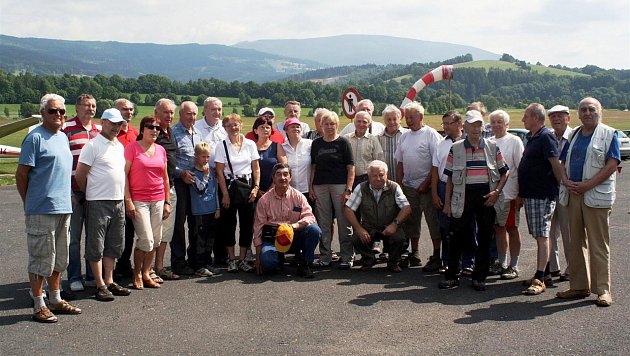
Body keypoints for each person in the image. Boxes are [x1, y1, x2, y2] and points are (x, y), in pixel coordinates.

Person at [16, 93, 81, 323]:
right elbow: (21, 175)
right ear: (43, 112)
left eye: (62, 111)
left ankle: (55, 298)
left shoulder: (63, 137)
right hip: (41, 209)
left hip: (63, 208)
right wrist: (30, 202)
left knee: (59, 258)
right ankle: (38, 304)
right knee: (40, 259)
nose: (59, 115)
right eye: (53, 111)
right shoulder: (34, 138)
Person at [556, 97, 620, 307]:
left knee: (598, 244)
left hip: (595, 196)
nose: (587, 113)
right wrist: (566, 181)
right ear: (578, 113)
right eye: (583, 110)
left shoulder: (609, 134)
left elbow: (611, 165)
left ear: (599, 111)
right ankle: (579, 286)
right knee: (576, 242)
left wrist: (587, 185)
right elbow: (563, 161)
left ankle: (603, 290)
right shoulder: (575, 134)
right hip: (574, 194)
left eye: (591, 109)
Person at [440, 110, 508, 291]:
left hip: (486, 197)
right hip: (462, 196)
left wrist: (496, 192)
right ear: (466, 127)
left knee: (485, 237)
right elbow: (448, 178)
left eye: (479, 124)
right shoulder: (456, 148)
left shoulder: (492, 147)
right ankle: (452, 276)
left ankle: (479, 277)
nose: (477, 128)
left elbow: (505, 172)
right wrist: (447, 204)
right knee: (456, 237)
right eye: (473, 125)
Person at [75, 108, 131, 301]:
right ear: (103, 122)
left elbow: (122, 174)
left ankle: (109, 280)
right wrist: (88, 193)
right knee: (96, 245)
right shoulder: (92, 146)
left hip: (117, 201)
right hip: (98, 201)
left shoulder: (119, 146)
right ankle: (99, 284)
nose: (116, 127)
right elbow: (81, 174)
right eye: (112, 123)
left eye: (119, 124)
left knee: (114, 244)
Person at [518, 103, 564, 296]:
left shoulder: (545, 136)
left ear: (536, 118)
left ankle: (540, 276)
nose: (523, 120)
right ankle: (544, 274)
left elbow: (556, 164)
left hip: (542, 193)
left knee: (542, 234)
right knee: (539, 233)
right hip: (532, 193)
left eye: (526, 116)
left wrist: (562, 187)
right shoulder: (534, 137)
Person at [124, 115, 171, 289]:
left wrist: (167, 201)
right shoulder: (132, 148)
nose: (154, 130)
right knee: (146, 239)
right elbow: (125, 176)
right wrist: (128, 200)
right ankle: (137, 272)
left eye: (157, 128)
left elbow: (165, 178)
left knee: (157, 239)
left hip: (158, 199)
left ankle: (146, 272)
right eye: (150, 127)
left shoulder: (161, 150)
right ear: (142, 129)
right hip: (139, 200)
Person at [395, 101, 442, 269]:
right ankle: (414, 253)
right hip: (408, 187)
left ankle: (437, 254)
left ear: (421, 117)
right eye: (406, 117)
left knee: (432, 221)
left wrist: (427, 182)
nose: (408, 120)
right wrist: (400, 185)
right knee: (411, 221)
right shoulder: (405, 136)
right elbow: (399, 162)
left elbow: (436, 163)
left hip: (427, 187)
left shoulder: (431, 134)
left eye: (411, 117)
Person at [253, 163, 321, 278]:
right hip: (273, 240)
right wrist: (258, 258)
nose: (282, 178)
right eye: (278, 174)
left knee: (314, 230)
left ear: (290, 177)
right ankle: (277, 258)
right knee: (268, 263)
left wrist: (293, 227)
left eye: (285, 174)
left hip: (293, 236)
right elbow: (258, 228)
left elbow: (310, 217)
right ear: (273, 178)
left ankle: (305, 264)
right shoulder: (264, 200)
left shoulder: (298, 196)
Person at [345, 160, 411, 272]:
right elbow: (348, 209)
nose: (378, 178)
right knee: (356, 237)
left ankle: (393, 262)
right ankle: (368, 259)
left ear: (387, 175)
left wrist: (395, 224)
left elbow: (407, 208)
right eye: (374, 176)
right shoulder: (361, 188)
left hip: (389, 225)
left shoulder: (394, 187)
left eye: (381, 175)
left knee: (399, 238)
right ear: (368, 176)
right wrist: (359, 229)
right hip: (369, 227)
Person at [215, 113, 261, 272]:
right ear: (225, 128)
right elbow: (219, 172)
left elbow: (256, 168)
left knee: (247, 223)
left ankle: (242, 259)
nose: (233, 128)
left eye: (236, 124)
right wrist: (225, 194)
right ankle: (231, 259)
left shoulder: (250, 144)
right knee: (228, 223)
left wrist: (256, 187)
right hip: (229, 185)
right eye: (229, 125)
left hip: (247, 185)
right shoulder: (221, 145)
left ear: (241, 125)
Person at [63, 94, 100, 292]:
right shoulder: (66, 128)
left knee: (92, 237)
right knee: (74, 238)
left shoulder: (99, 130)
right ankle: (74, 276)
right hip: (75, 193)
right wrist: (68, 191)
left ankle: (91, 275)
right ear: (77, 107)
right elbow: (62, 163)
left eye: (93, 106)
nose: (90, 109)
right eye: (86, 105)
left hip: (95, 193)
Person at [310, 109, 355, 269]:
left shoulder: (343, 143)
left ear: (337, 125)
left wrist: (348, 190)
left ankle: (347, 256)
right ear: (321, 126)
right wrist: (311, 187)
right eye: (326, 124)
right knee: (324, 221)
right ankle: (325, 256)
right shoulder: (316, 144)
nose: (329, 127)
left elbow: (351, 168)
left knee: (344, 222)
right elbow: (313, 167)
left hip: (340, 186)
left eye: (332, 124)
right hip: (320, 185)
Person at [489, 110, 524, 280]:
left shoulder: (514, 141)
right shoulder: (488, 142)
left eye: (499, 122)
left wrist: (520, 194)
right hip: (493, 196)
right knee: (498, 229)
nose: (496, 125)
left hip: (510, 194)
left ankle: (514, 264)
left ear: (507, 124)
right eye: (493, 122)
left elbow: (521, 168)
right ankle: (502, 263)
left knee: (512, 229)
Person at [193, 96, 228, 267]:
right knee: (200, 222)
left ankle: (220, 256)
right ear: (205, 110)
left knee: (219, 218)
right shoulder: (197, 127)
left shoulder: (224, 128)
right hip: (200, 174)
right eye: (213, 109)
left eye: (219, 109)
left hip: (220, 175)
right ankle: (199, 258)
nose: (217, 112)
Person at [430, 111, 465, 274]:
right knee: (445, 227)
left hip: (464, 187)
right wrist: (435, 193)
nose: (445, 127)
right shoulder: (441, 143)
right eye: (443, 123)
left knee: (465, 226)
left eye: (448, 123)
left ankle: (467, 262)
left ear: (459, 124)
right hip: (444, 187)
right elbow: (435, 170)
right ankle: (447, 261)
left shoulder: (468, 142)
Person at [170, 101, 203, 275]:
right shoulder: (173, 133)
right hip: (181, 183)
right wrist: (181, 173)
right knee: (178, 224)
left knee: (196, 222)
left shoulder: (197, 133)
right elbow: (169, 161)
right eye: (188, 113)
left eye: (194, 114)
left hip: (196, 182)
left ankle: (195, 259)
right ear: (181, 114)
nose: (191, 117)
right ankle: (178, 261)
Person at [153, 99, 180, 281]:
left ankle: (159, 266)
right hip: (155, 189)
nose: (169, 116)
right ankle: (148, 269)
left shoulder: (170, 132)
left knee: (166, 231)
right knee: (153, 231)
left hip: (170, 186)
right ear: (157, 113)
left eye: (171, 113)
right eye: (165, 112)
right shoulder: (153, 132)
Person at [113, 98, 139, 280]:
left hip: (131, 187)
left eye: (130, 110)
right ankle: (110, 267)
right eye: (124, 109)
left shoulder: (135, 132)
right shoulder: (110, 132)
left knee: (129, 230)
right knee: (113, 230)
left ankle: (124, 263)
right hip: (112, 187)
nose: (128, 112)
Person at [547, 105, 572, 282]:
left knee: (568, 231)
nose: (556, 119)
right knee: (549, 231)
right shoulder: (549, 136)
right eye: (553, 116)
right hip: (549, 190)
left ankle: (572, 267)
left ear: (568, 118)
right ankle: (553, 267)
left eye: (560, 116)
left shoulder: (574, 136)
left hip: (567, 189)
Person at [189, 142, 221, 277]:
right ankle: (198, 265)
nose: (206, 160)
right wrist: (206, 175)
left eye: (208, 157)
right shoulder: (193, 173)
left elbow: (214, 191)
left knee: (210, 239)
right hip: (199, 211)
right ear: (196, 156)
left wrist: (217, 207)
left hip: (211, 210)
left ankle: (207, 262)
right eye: (203, 157)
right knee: (199, 240)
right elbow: (200, 189)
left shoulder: (211, 171)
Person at [344, 111, 384, 188]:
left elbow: (379, 160)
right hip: (347, 179)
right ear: (354, 123)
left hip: (367, 179)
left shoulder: (373, 140)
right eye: (358, 121)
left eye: (364, 122)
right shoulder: (346, 138)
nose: (361, 124)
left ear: (369, 125)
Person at [251, 116, 287, 197]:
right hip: (254, 191)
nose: (265, 130)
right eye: (262, 127)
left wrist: (272, 188)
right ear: (256, 131)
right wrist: (256, 188)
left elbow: (284, 168)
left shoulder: (277, 146)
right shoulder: (250, 147)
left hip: (274, 190)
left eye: (268, 127)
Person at [278, 118, 313, 198]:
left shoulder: (309, 144)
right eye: (292, 127)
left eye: (298, 127)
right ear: (286, 130)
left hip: (308, 190)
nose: (296, 129)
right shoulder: (282, 147)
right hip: (290, 190)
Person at [377, 104, 408, 182]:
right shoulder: (377, 138)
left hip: (406, 182)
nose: (392, 122)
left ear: (400, 119)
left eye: (395, 119)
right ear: (384, 120)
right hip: (385, 183)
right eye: (389, 119)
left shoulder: (408, 135)